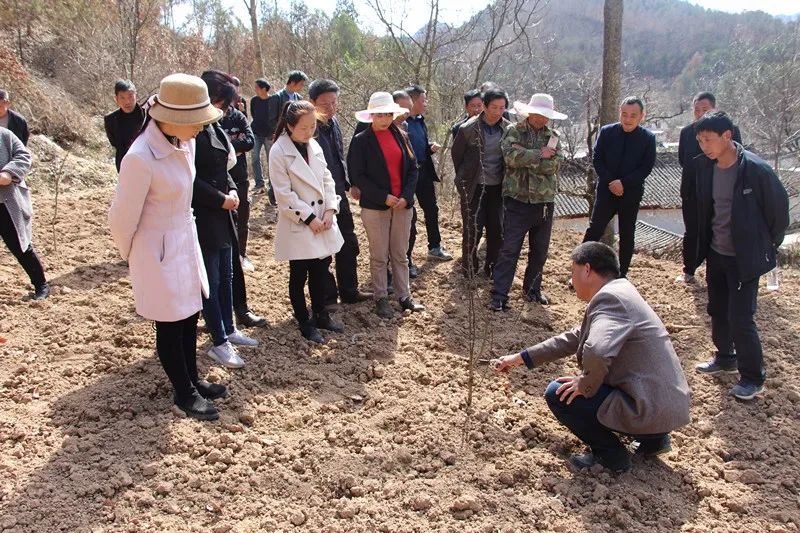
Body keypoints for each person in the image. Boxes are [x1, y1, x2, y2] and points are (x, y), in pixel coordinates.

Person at [492, 242, 691, 473]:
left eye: (572, 272)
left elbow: (596, 349)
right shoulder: (622, 292)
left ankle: (610, 457)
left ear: (587, 270)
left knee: (559, 393)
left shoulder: (610, 300)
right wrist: (520, 358)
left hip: (648, 409)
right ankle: (653, 440)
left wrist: (586, 384)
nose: (570, 280)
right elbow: (575, 337)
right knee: (603, 379)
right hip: (669, 406)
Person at [109, 73, 226, 420]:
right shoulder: (140, 158)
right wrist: (137, 255)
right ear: (174, 118)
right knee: (170, 323)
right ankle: (183, 393)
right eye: (197, 122)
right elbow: (121, 218)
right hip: (155, 248)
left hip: (183, 239)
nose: (201, 128)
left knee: (189, 314)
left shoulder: (182, 142)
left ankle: (192, 378)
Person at [693, 111, 789, 401]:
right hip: (717, 251)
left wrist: (763, 245)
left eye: (708, 140)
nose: (704, 146)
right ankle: (725, 357)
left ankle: (752, 377)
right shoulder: (706, 167)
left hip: (743, 257)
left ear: (727, 136)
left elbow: (778, 213)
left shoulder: (755, 170)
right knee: (717, 309)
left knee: (741, 317)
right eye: (700, 141)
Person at [194, 70, 259, 369]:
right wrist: (221, 198)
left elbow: (227, 168)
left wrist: (232, 190)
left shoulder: (215, 128)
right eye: (222, 104)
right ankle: (218, 341)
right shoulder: (192, 133)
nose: (226, 110)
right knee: (212, 279)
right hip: (204, 214)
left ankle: (229, 328)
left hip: (224, 213)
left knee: (227, 275)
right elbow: (191, 180)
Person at [269, 100, 345, 344]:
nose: (309, 131)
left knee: (321, 272)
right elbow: (283, 194)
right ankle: (304, 320)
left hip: (323, 220)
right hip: (300, 222)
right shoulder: (279, 151)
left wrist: (331, 210)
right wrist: (310, 218)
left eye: (313, 126)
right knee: (299, 274)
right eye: (304, 127)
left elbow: (327, 178)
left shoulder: (314, 145)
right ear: (289, 126)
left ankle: (321, 314)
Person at [348, 92, 425, 319]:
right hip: (375, 205)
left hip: (403, 204)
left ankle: (404, 296)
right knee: (379, 254)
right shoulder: (361, 140)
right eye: (380, 115)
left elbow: (413, 169)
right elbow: (357, 175)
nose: (384, 119)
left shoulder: (402, 135)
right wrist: (384, 196)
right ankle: (381, 297)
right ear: (371, 115)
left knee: (400, 254)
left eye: (388, 114)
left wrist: (405, 196)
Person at [489, 93, 565, 310]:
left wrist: (528, 156)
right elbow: (510, 158)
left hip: (544, 201)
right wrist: (540, 154)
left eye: (546, 116)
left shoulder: (554, 135)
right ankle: (499, 295)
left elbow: (554, 165)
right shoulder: (514, 131)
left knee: (540, 250)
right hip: (517, 200)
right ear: (529, 113)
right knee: (510, 249)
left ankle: (533, 289)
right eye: (539, 114)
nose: (542, 119)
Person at [308, 79, 372, 306]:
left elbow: (338, 156)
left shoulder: (333, 122)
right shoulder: (309, 129)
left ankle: (349, 290)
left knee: (348, 242)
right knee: (324, 249)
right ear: (312, 102)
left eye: (334, 102)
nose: (331, 108)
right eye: (325, 104)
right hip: (318, 198)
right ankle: (327, 297)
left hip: (338, 193)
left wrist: (348, 183)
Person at [583, 96, 656, 278]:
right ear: (619, 114)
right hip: (606, 189)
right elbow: (597, 159)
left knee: (627, 233)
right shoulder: (607, 132)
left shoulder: (648, 138)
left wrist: (624, 183)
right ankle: (580, 267)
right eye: (624, 114)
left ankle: (622, 274)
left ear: (642, 116)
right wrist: (611, 182)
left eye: (633, 115)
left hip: (631, 191)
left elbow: (646, 167)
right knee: (595, 228)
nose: (628, 119)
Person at [676, 92, 742, 283]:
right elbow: (683, 160)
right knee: (692, 231)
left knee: (719, 228)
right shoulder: (687, 132)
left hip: (720, 189)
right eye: (696, 110)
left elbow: (736, 157)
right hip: (692, 189)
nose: (699, 114)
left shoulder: (730, 130)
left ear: (714, 109)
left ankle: (720, 271)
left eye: (704, 110)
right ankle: (689, 270)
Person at [219, 80, 267, 329]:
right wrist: (232, 148)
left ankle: (241, 310)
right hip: (215, 196)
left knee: (241, 226)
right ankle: (218, 316)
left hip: (236, 181)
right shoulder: (206, 121)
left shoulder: (237, 115)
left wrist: (230, 148)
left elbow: (248, 141)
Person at [451, 88, 510, 278]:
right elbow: (457, 156)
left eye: (502, 108)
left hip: (498, 188)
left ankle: (491, 268)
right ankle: (469, 269)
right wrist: (464, 180)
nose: (498, 111)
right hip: (474, 187)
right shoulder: (468, 129)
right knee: (472, 229)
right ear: (484, 106)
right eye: (494, 107)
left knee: (496, 230)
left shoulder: (509, 129)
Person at [405, 84, 452, 274]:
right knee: (409, 216)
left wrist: (428, 147)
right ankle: (405, 259)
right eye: (423, 100)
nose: (426, 104)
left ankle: (435, 247)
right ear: (413, 101)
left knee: (431, 208)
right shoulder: (400, 122)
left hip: (423, 170)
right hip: (406, 174)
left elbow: (418, 145)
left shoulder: (419, 120)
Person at [0, 127, 48, 300]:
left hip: (6, 202)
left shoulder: (4, 136)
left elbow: (23, 156)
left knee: (20, 246)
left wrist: (8, 172)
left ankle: (41, 284)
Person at [260, 71, 309, 205]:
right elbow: (272, 119)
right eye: (300, 84)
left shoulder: (298, 97)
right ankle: (273, 194)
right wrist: (280, 132)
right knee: (277, 166)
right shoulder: (277, 97)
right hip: (280, 137)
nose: (301, 87)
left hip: (297, 138)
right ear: (292, 82)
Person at [103, 80, 146, 172]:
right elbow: (114, 142)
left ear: (136, 95)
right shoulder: (110, 120)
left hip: (147, 162)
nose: (127, 101)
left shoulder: (148, 115)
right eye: (122, 97)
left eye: (130, 96)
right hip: (124, 164)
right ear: (116, 99)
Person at [249, 78, 271, 195]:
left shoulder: (273, 100)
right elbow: (253, 114)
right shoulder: (254, 100)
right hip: (256, 133)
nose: (255, 90)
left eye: (257, 87)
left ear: (264, 89)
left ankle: (272, 184)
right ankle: (259, 183)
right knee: (255, 157)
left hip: (269, 135)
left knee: (271, 159)